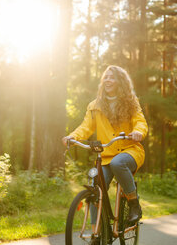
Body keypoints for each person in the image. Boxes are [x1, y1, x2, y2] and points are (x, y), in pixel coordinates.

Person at [62, 65, 148, 226]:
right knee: (95, 186)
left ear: (120, 82)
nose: (108, 80)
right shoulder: (95, 106)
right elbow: (86, 127)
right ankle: (97, 234)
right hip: (107, 155)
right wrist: (72, 137)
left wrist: (138, 132)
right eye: (106, 77)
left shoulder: (131, 102)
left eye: (112, 77)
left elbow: (140, 122)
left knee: (118, 162)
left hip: (130, 150)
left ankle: (133, 203)